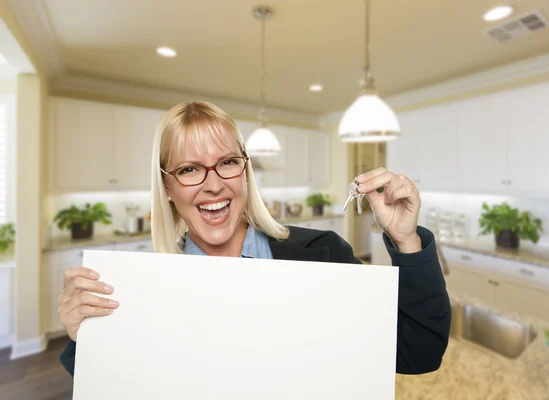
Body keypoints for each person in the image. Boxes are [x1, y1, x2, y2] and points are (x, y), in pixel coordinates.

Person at [57, 101, 451, 378]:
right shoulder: (139, 292)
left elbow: (419, 352)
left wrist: (406, 240)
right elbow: (120, 385)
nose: (214, 185)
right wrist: (86, 336)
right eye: (190, 169)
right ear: (167, 188)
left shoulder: (324, 255)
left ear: (245, 171)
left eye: (227, 162)